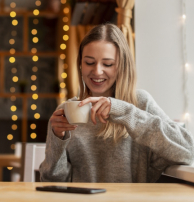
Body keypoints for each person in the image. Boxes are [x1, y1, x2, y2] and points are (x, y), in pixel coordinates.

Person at [39, 23, 194, 183]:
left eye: (108, 64)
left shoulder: (138, 103)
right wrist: (57, 139)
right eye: (89, 62)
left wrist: (124, 111)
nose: (97, 71)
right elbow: (51, 181)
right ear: (80, 64)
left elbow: (187, 150)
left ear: (121, 66)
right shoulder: (68, 111)